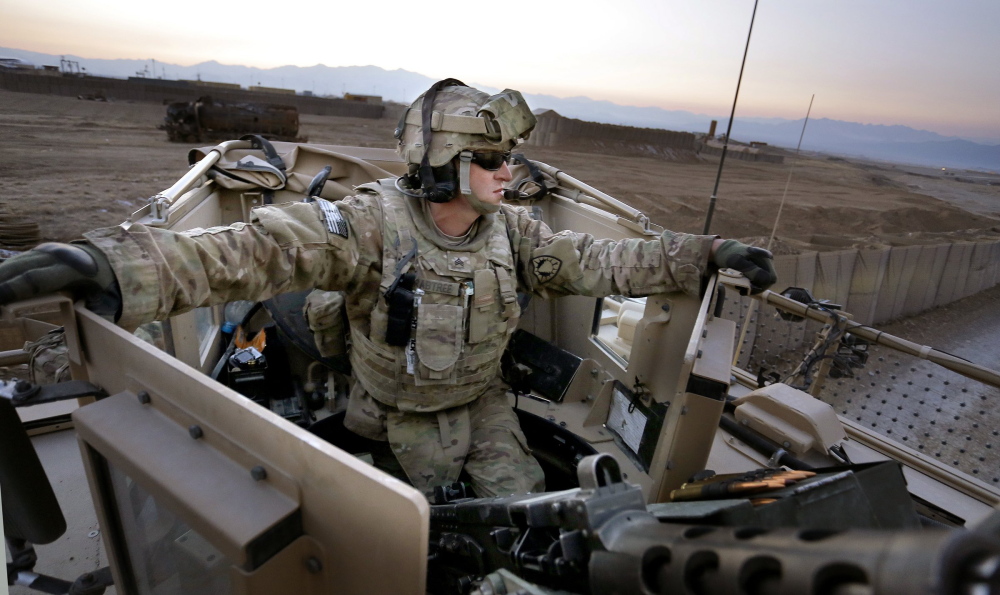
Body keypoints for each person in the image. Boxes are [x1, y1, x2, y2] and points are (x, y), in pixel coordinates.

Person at [0, 79, 776, 499]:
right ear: (444, 162)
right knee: (427, 530)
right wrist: (114, 269)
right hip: (403, 413)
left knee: (536, 508)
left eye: (510, 158)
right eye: (493, 158)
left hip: (484, 404)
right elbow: (256, 252)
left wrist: (705, 252)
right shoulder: (374, 223)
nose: (510, 172)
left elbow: (605, 263)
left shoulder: (513, 233)